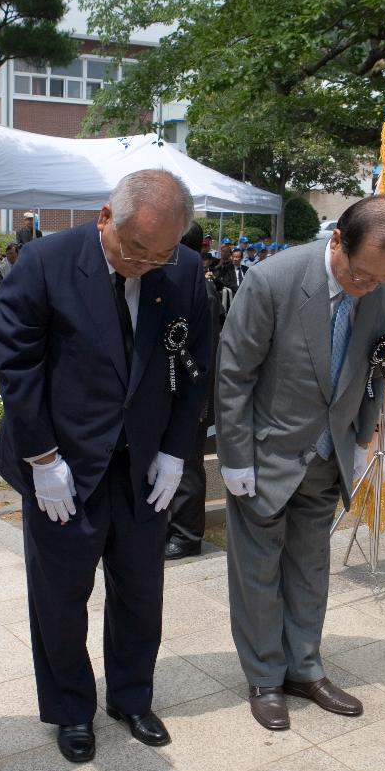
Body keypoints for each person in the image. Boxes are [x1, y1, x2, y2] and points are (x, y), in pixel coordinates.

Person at [0, 170, 211, 763]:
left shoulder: (184, 271)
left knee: (142, 589)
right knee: (60, 596)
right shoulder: (43, 263)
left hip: (142, 463)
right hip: (63, 464)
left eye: (159, 254)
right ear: (104, 218)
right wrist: (41, 459)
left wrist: (175, 450)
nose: (144, 263)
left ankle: (132, 696)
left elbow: (195, 367)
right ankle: (70, 710)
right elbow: (18, 370)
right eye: (134, 250)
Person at [216, 195, 385, 731]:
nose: (368, 286)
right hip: (267, 454)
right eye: (361, 274)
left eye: (382, 279)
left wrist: (360, 434)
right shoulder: (272, 281)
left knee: (311, 566)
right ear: (337, 242)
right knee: (258, 571)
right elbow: (234, 373)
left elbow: (379, 366)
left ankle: (305, 667)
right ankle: (263, 676)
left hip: (330, 453)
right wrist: (234, 456)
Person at [165, 222, 220, 559]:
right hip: (173, 387)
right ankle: (172, 527)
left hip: (192, 387)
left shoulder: (202, 288)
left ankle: (187, 536)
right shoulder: (182, 280)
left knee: (187, 464)